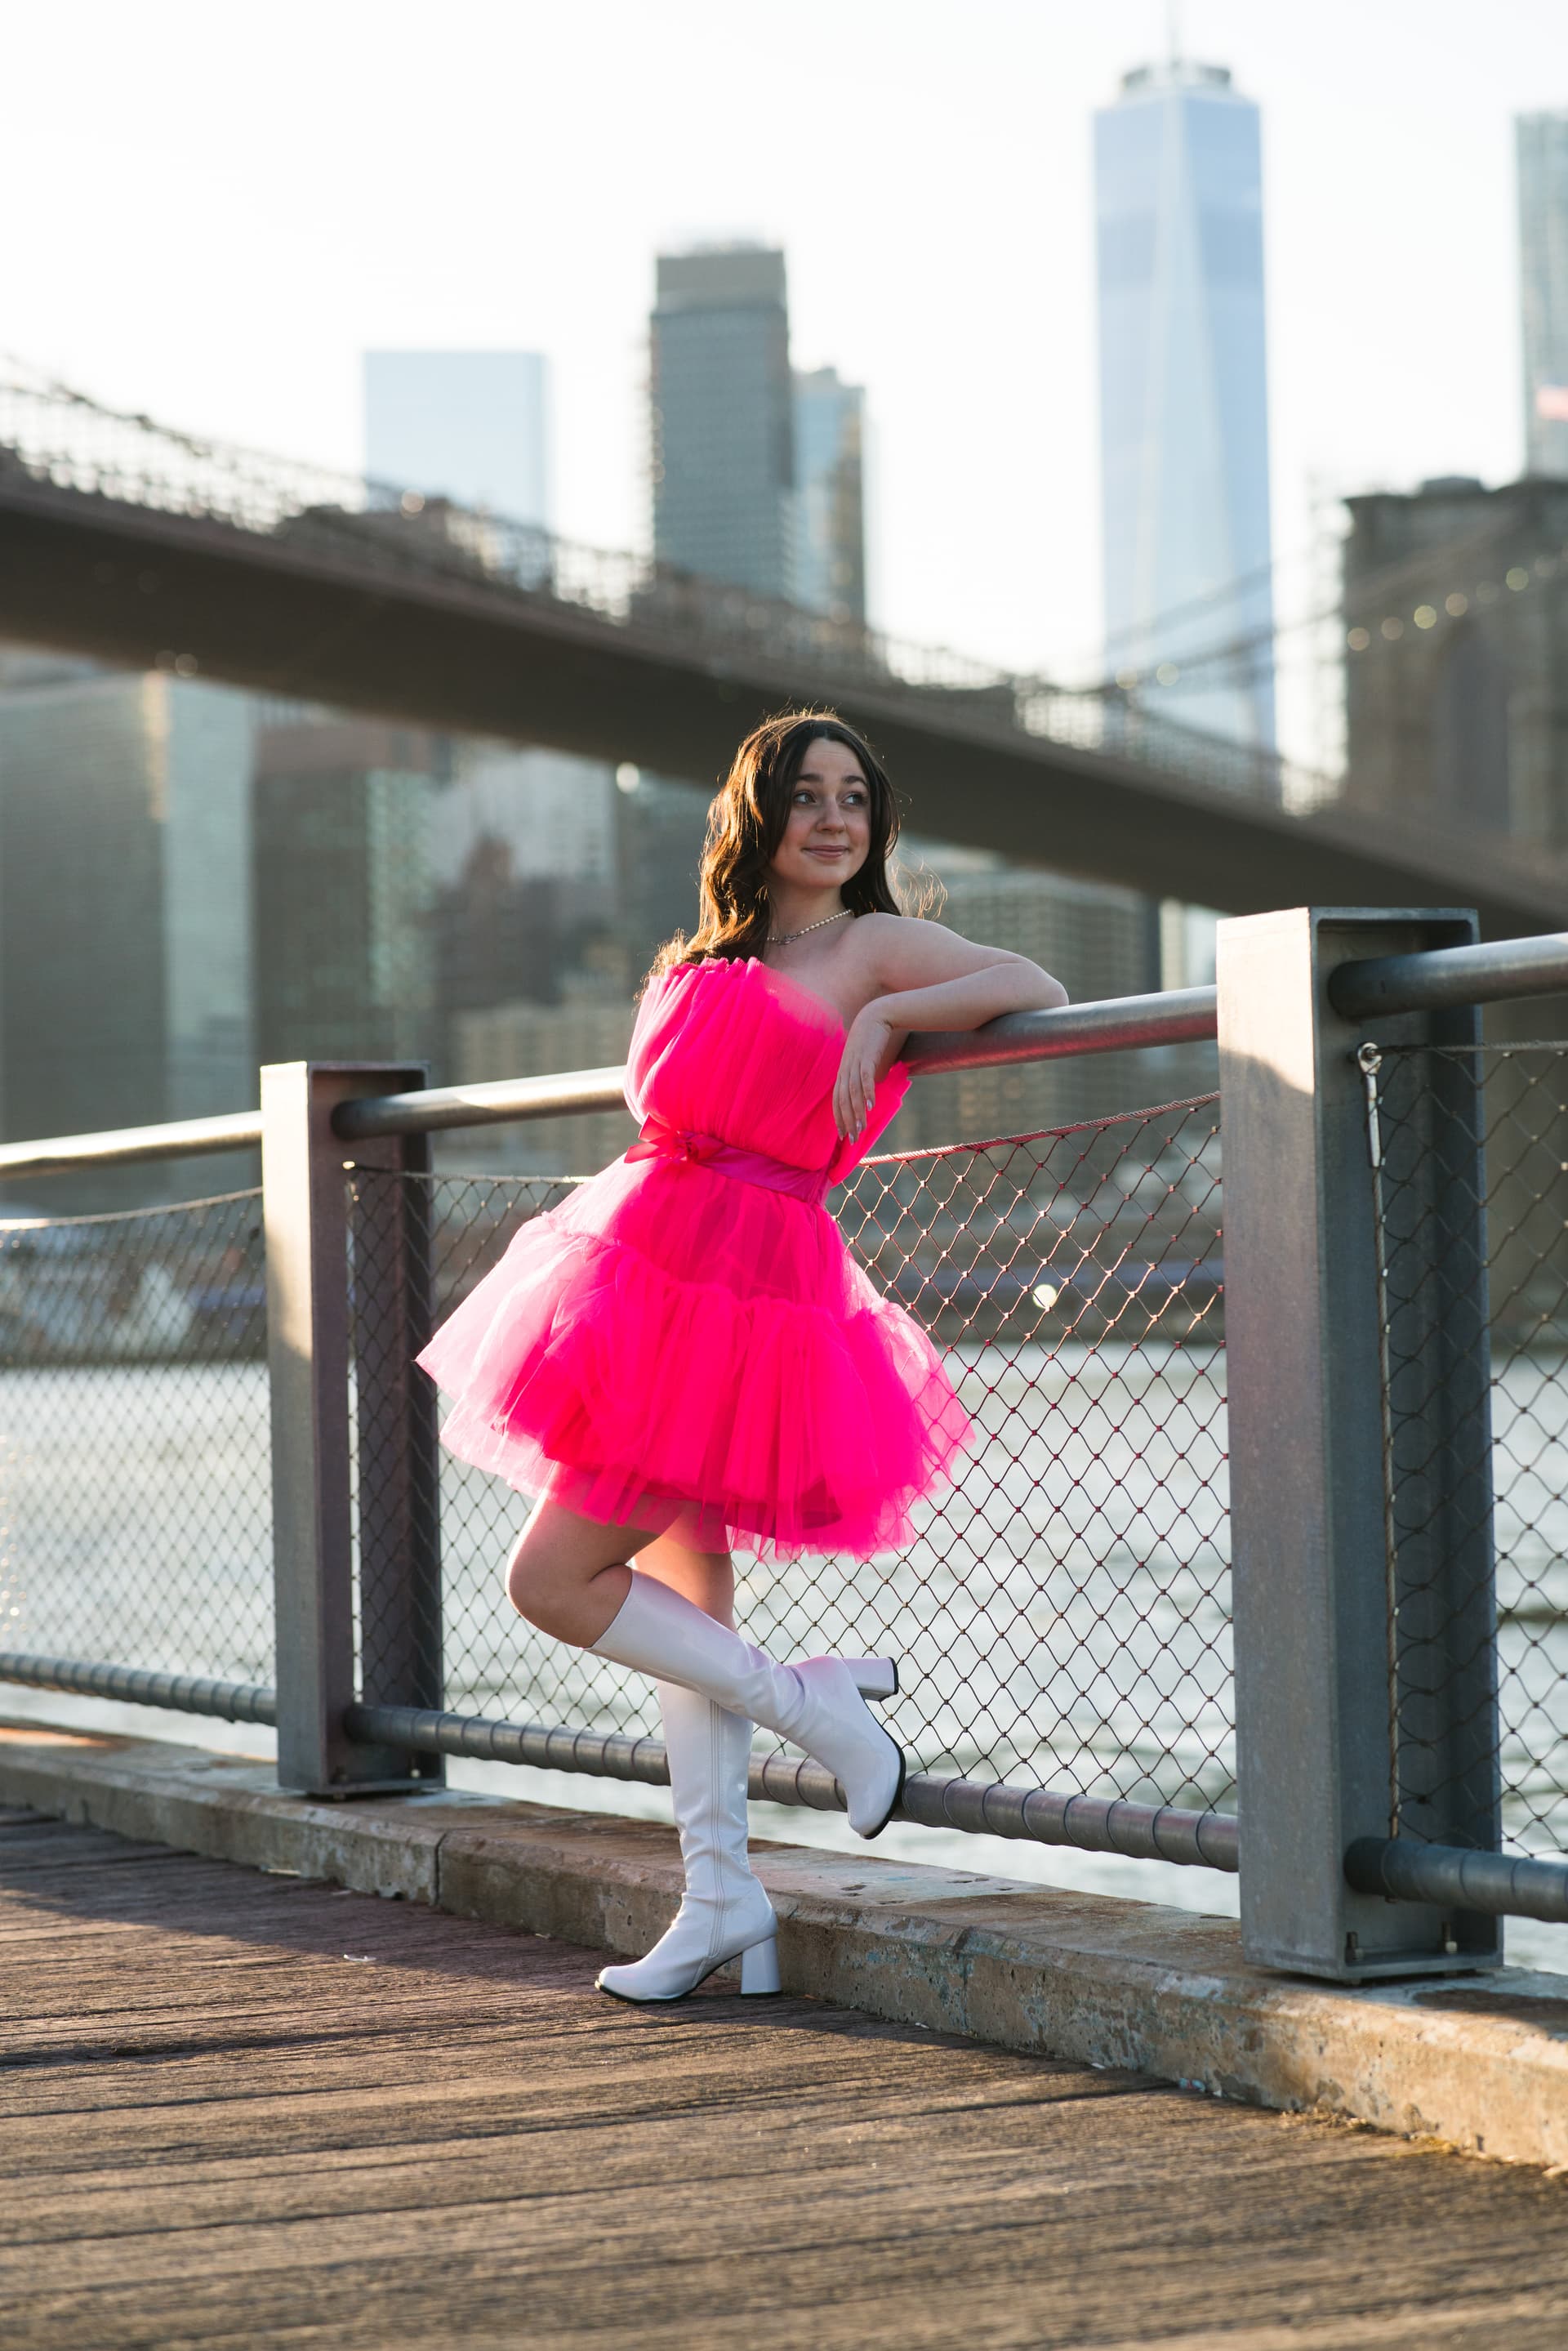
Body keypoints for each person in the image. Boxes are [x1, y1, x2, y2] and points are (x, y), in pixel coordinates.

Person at [416, 710, 1066, 2005]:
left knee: (549, 1578)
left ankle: (818, 1710)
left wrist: (890, 1023)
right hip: (649, 1277)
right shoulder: (695, 957)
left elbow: (1037, 988)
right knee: (682, 1611)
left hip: (750, 1295)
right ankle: (725, 1900)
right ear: (755, 817)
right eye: (807, 795)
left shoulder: (875, 943)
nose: (834, 819)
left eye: (856, 799)